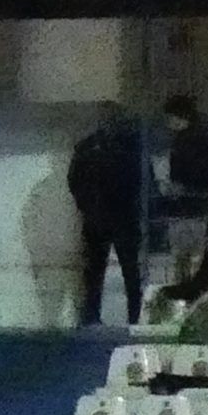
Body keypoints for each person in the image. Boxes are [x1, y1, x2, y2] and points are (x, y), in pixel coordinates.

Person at [68, 103, 146, 327]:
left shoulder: (87, 147)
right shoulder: (133, 147)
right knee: (130, 272)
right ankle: (134, 316)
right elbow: (141, 181)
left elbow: (74, 181)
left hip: (98, 216)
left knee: (95, 271)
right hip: (122, 215)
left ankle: (91, 316)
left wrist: (86, 205)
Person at [161, 93, 208, 239]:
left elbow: (204, 174)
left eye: (170, 117)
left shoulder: (191, 142)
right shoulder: (199, 138)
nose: (167, 122)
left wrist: (181, 186)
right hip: (193, 204)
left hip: (190, 205)